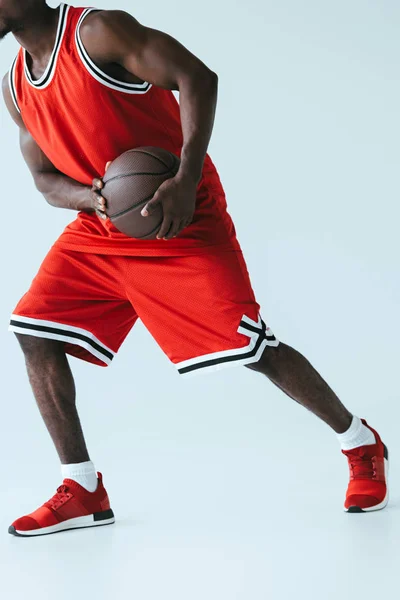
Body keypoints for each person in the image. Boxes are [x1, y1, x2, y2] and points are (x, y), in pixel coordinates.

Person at [1, 1, 388, 537]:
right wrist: (89, 197)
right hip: (104, 223)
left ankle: (359, 442)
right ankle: (82, 486)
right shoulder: (15, 84)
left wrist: (186, 179)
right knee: (32, 329)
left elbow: (196, 76)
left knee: (251, 346)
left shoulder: (96, 31)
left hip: (179, 211)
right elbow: (45, 180)